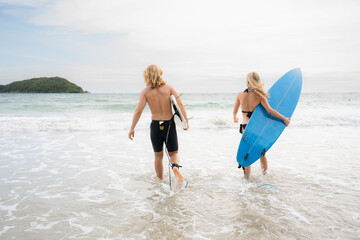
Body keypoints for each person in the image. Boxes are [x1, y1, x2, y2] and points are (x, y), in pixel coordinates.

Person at [128, 64, 189, 185]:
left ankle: (160, 181)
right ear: (160, 73)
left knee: (158, 156)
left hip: (155, 126)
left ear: (147, 76)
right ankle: (175, 167)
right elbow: (180, 105)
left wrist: (132, 128)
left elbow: (138, 111)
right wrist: (185, 122)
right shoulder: (169, 88)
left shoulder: (145, 92)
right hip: (169, 125)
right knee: (174, 153)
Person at [233, 72, 290, 180]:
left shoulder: (240, 94)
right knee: (261, 152)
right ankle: (265, 175)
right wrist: (284, 118)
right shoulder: (260, 96)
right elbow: (270, 111)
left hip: (245, 127)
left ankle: (247, 180)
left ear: (248, 82)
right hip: (256, 128)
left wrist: (234, 118)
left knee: (246, 153)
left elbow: (235, 110)